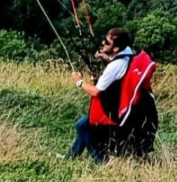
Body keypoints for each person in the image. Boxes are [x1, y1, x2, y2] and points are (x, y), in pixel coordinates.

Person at [64, 27, 157, 162]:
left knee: (83, 126)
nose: (102, 43)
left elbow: (96, 91)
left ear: (115, 49)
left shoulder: (114, 67)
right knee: (83, 123)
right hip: (131, 114)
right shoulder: (128, 52)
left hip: (118, 118)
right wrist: (106, 57)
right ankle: (70, 158)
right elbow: (119, 75)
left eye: (106, 43)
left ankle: (102, 161)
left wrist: (79, 82)